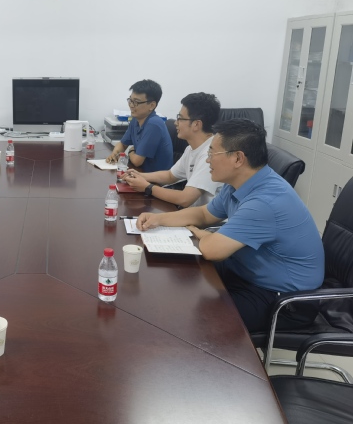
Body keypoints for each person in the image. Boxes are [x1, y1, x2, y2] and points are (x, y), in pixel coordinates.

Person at [136, 118, 324, 332]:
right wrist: (158, 219)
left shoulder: (265, 202)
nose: (208, 160)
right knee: (179, 274)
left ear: (237, 158)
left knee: (193, 318)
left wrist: (201, 234)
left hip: (284, 300)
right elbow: (204, 214)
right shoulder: (237, 183)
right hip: (246, 272)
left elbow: (211, 250)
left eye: (212, 153)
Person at [121, 92, 223, 207]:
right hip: (192, 212)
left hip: (203, 218)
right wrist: (139, 175)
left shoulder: (210, 155)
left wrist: (147, 187)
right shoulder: (191, 148)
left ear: (196, 124)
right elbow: (170, 176)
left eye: (180, 118)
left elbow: (185, 199)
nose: (175, 123)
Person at [106, 79, 173, 173]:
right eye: (130, 100)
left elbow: (137, 161)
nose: (131, 105)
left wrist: (130, 151)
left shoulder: (154, 124)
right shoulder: (136, 119)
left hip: (154, 179)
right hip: (140, 173)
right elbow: (122, 144)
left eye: (136, 102)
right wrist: (114, 154)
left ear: (152, 105)